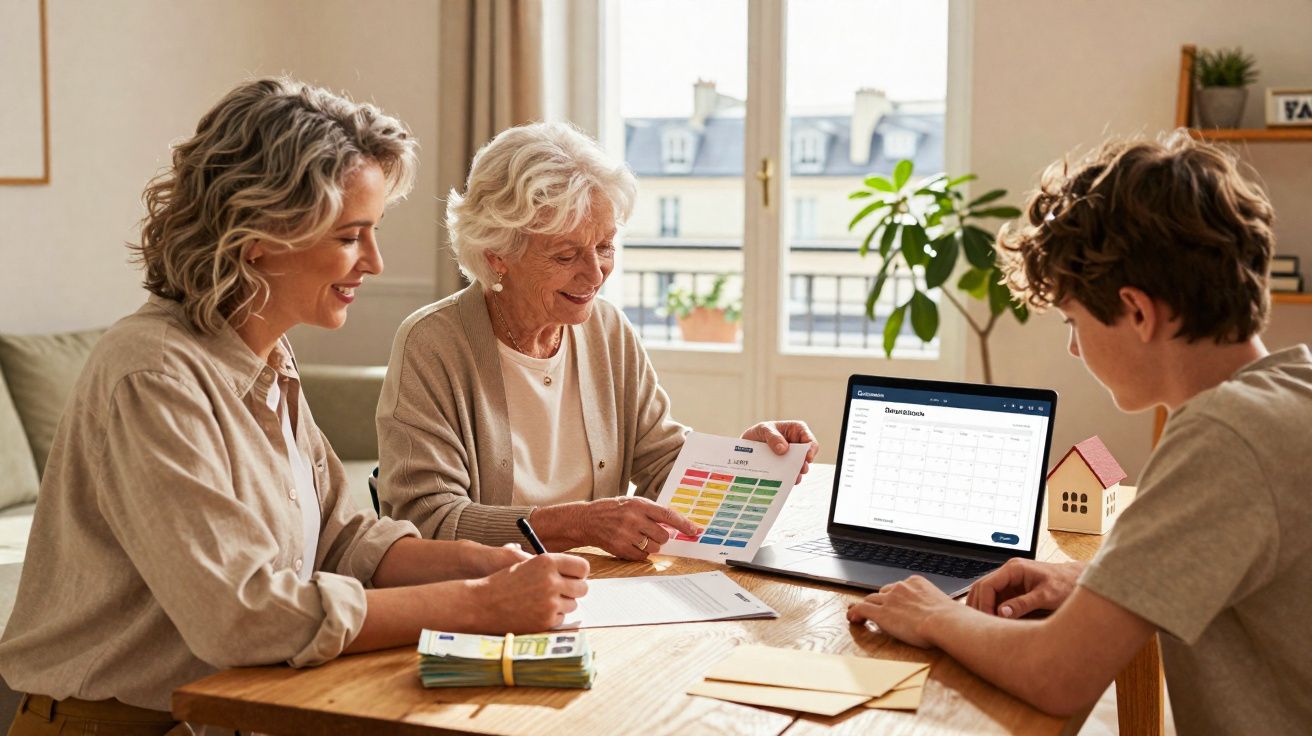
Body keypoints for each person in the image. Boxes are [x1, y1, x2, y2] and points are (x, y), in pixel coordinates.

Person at [0, 78, 588, 736]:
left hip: (233, 712)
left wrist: (481, 563)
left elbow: (342, 537)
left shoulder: (266, 355)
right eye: (349, 237)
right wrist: (477, 605)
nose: (374, 261)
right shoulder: (154, 375)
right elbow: (241, 614)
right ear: (260, 235)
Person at [845, 131, 1311, 734]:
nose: (1072, 346)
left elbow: (1057, 675)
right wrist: (1101, 582)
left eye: (1073, 320)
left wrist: (934, 614)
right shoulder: (1291, 390)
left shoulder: (1225, 434)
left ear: (1138, 312)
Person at [376, 122, 819, 560]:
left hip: (601, 588)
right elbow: (427, 522)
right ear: (498, 255)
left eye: (605, 246)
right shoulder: (432, 344)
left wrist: (742, 462)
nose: (595, 274)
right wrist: (578, 524)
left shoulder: (607, 330)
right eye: (566, 255)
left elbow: (662, 463)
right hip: (490, 598)